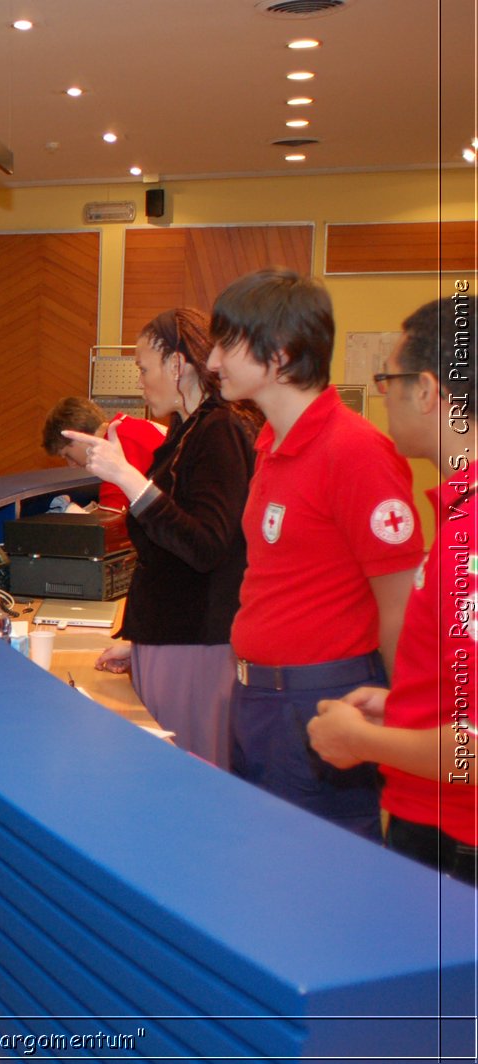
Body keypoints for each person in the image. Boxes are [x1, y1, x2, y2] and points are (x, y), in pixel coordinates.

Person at [206, 268, 422, 839]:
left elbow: (400, 603)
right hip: (257, 695)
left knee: (315, 878)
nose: (211, 361)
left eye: (226, 343)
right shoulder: (270, 443)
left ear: (278, 356)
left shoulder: (355, 451)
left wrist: (407, 722)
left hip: (322, 698)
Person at [306, 295, 476, 882]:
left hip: (454, 837)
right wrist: (400, 710)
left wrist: (364, 743)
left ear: (429, 391)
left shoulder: (472, 538)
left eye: (390, 379)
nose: (382, 393)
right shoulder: (460, 512)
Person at [60, 308, 257, 769]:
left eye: (143, 368)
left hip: (196, 646)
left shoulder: (219, 430)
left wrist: (129, 479)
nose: (140, 381)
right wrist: (143, 643)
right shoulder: (186, 432)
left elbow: (206, 544)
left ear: (177, 364)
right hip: (171, 641)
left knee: (186, 785)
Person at [41, 396, 165, 511]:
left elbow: (111, 521)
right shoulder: (127, 428)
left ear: (79, 437)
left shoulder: (118, 443)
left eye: (67, 455)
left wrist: (70, 511)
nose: (72, 465)